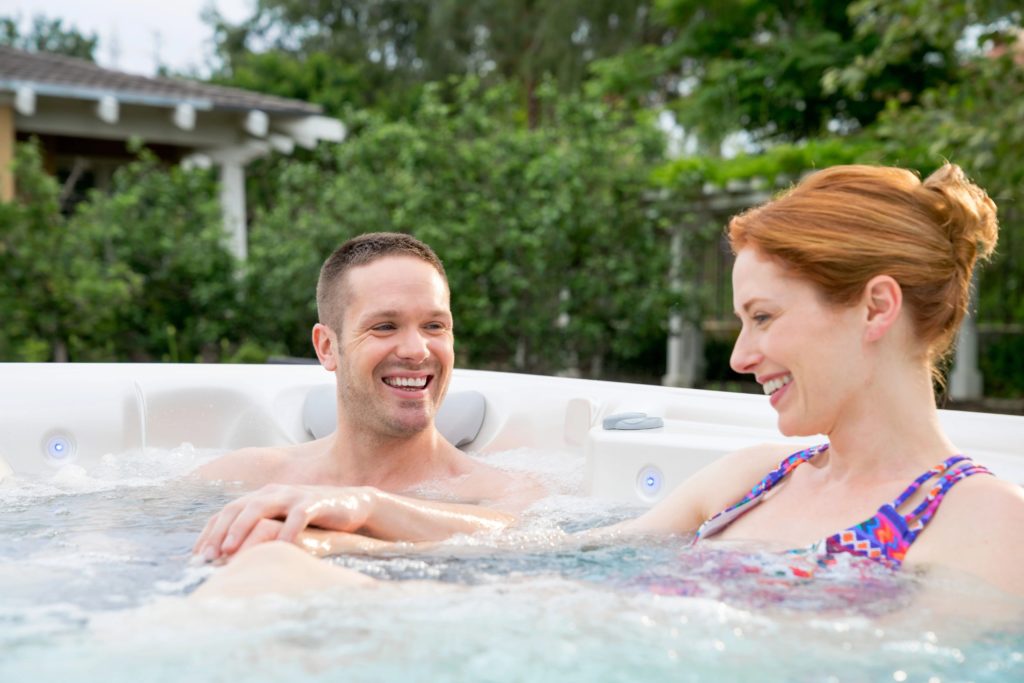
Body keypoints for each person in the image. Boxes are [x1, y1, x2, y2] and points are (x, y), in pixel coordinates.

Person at [194, 164, 1024, 598]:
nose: (739, 355)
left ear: (875, 306)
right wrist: (360, 516)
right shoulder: (753, 479)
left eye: (763, 318)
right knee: (277, 561)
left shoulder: (983, 524)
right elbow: (556, 552)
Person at [193, 232, 540, 562]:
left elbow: (523, 537)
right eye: (385, 326)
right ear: (327, 347)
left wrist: (365, 506)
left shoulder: (504, 493)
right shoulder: (242, 477)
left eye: (434, 326)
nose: (417, 350)